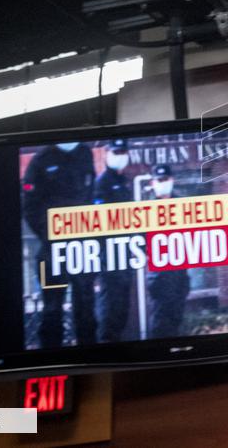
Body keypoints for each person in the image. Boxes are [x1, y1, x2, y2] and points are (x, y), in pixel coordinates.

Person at [22, 141, 97, 349]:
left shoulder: (85, 152)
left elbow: (90, 195)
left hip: (83, 248)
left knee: (86, 304)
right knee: (52, 308)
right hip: (51, 252)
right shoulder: (40, 161)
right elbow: (29, 207)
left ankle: (90, 354)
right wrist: (50, 234)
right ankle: (52, 356)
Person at [145, 164, 191, 339]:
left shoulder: (181, 204)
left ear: (172, 180)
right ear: (153, 182)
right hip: (160, 276)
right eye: (159, 180)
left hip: (180, 274)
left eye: (166, 179)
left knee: (176, 320)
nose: (163, 183)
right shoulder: (145, 208)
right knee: (160, 324)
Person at [94, 138, 134, 343]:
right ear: (108, 153)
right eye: (116, 152)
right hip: (109, 258)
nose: (120, 156)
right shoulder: (102, 184)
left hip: (125, 256)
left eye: (123, 152)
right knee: (111, 308)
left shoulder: (122, 182)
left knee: (122, 310)